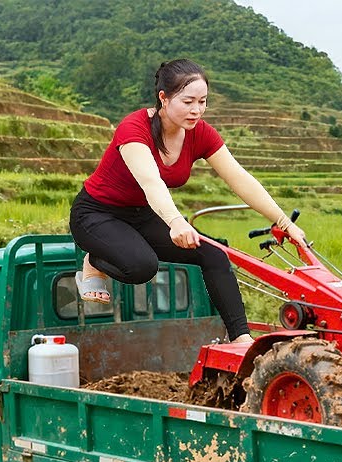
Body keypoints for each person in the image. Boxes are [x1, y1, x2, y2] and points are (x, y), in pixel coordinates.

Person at [69, 58, 306, 344]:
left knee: (214, 254)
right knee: (142, 266)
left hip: (142, 215)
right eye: (188, 101)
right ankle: (95, 260)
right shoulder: (133, 129)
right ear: (164, 99)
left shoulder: (200, 133)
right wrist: (176, 222)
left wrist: (283, 222)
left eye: (203, 101)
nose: (196, 110)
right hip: (96, 215)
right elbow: (151, 182)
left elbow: (239, 178)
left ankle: (241, 339)